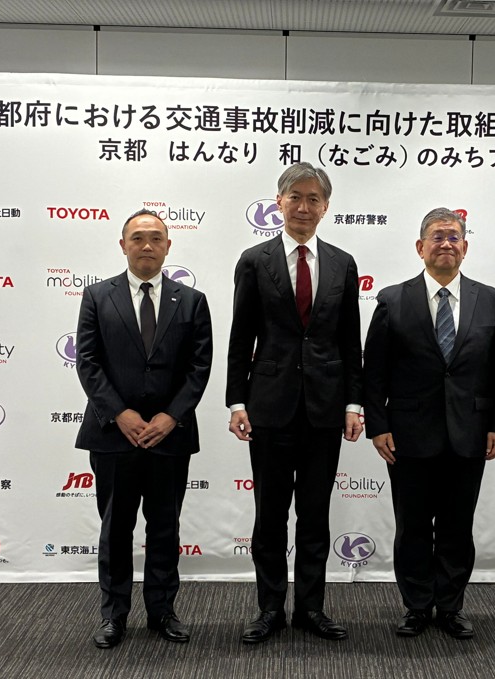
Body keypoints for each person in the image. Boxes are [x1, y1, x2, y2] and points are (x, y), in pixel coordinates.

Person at [226, 162, 364, 644]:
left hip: (325, 408)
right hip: (269, 406)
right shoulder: (254, 260)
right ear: (279, 202)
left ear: (325, 207)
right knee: (269, 516)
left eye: (313, 199)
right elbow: (240, 337)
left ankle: (310, 608)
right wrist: (236, 401)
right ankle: (269, 609)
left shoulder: (343, 263)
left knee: (315, 514)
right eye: (295, 197)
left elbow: (350, 340)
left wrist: (354, 404)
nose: (304, 207)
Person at [364, 207, 495, 640]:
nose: (446, 243)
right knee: (412, 525)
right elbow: (374, 369)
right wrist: (378, 425)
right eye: (437, 236)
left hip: (470, 433)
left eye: (453, 237)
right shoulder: (393, 299)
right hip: (408, 434)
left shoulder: (490, 299)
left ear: (465, 247)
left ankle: (450, 605)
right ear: (420, 247)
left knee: (456, 526)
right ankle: (416, 605)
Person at [75, 209, 213, 649]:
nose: (147, 245)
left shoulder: (191, 301)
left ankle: (162, 611)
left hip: (170, 436)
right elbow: (88, 362)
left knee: (165, 528)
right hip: (114, 436)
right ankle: (113, 615)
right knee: (115, 530)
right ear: (123, 245)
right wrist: (120, 414)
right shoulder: (98, 296)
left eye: (156, 237)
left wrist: (171, 416)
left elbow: (199, 367)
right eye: (137, 237)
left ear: (168, 245)